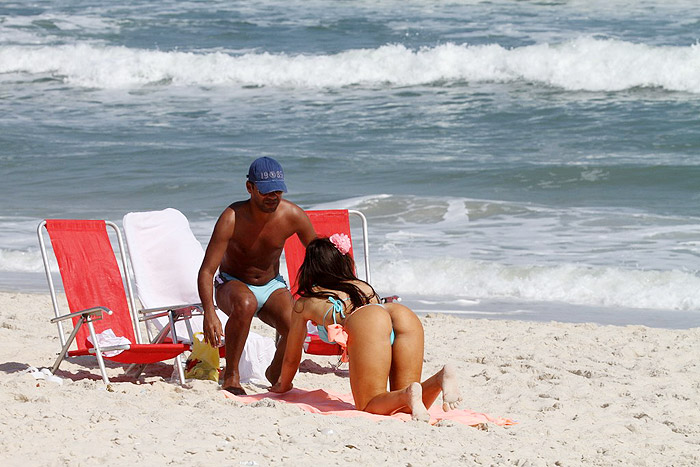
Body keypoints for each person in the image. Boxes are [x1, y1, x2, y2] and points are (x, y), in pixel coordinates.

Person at [270, 235, 462, 422]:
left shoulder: (306, 302)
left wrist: (283, 385)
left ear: (310, 268)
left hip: (369, 323)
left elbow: (292, 355)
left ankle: (410, 393)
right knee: (405, 405)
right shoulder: (361, 286)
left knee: (368, 403)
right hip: (401, 315)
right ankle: (439, 378)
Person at [198, 157, 316, 395]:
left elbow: (320, 255)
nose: (273, 196)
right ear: (250, 188)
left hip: (271, 285)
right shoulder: (232, 217)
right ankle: (231, 374)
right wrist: (209, 312)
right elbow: (207, 271)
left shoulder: (292, 215)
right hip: (232, 284)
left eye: (277, 191)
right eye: (265, 191)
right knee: (246, 302)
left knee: (297, 323)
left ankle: (275, 371)